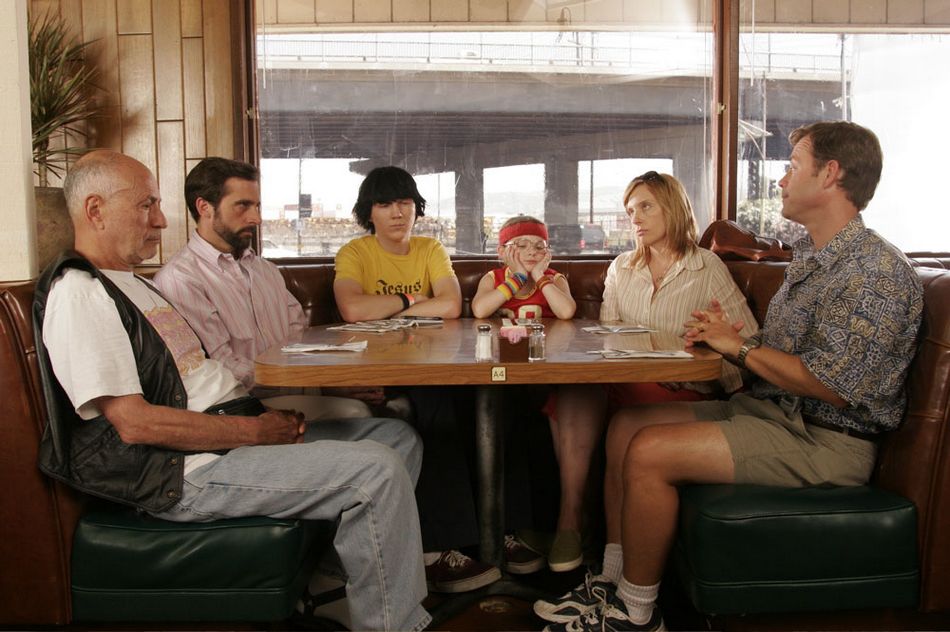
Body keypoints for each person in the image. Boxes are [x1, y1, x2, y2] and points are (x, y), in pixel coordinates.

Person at [536, 121, 924, 632]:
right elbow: (771, 354)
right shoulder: (814, 258)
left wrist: (737, 346)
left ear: (830, 174)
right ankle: (611, 580)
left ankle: (635, 613)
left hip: (825, 439)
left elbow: (832, 386)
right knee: (627, 425)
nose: (781, 180)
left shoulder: (874, 271)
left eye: (793, 167)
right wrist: (721, 338)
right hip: (773, 411)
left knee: (650, 450)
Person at [33, 150, 430, 632]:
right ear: (95, 210)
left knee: (396, 438)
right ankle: (392, 624)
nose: (161, 220)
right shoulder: (80, 293)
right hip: (183, 471)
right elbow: (134, 424)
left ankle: (339, 584)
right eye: (146, 205)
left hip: (225, 432)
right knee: (377, 470)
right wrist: (255, 431)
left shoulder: (132, 285)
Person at [537, 172, 759, 575]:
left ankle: (613, 566)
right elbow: (606, 336)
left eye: (645, 207)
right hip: (622, 381)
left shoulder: (706, 267)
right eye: (630, 211)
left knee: (622, 411)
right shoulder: (622, 266)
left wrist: (701, 368)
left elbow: (747, 346)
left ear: (672, 208)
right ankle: (570, 520)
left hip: (680, 388)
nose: (634, 218)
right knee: (572, 392)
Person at [334, 166, 543, 591]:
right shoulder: (355, 252)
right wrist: (411, 297)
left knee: (505, 402)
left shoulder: (429, 248)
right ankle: (441, 548)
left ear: (417, 208)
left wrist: (390, 310)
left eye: (405, 202)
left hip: (436, 363)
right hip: (383, 371)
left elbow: (449, 305)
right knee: (437, 412)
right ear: (368, 212)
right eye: (385, 204)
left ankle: (503, 531)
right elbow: (353, 310)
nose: (398, 213)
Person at [153, 157, 370, 420]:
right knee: (358, 413)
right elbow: (221, 367)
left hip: (293, 390)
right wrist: (320, 383)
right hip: (238, 409)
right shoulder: (180, 279)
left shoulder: (265, 270)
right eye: (243, 206)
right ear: (204, 207)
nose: (256, 218)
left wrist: (331, 380)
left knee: (385, 407)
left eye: (257, 206)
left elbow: (298, 339)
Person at [471, 215, 576, 320]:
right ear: (502, 252)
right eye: (522, 245)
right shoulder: (492, 279)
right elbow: (480, 311)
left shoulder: (555, 279)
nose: (532, 252)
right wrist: (518, 278)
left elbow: (566, 313)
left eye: (539, 247)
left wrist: (539, 276)